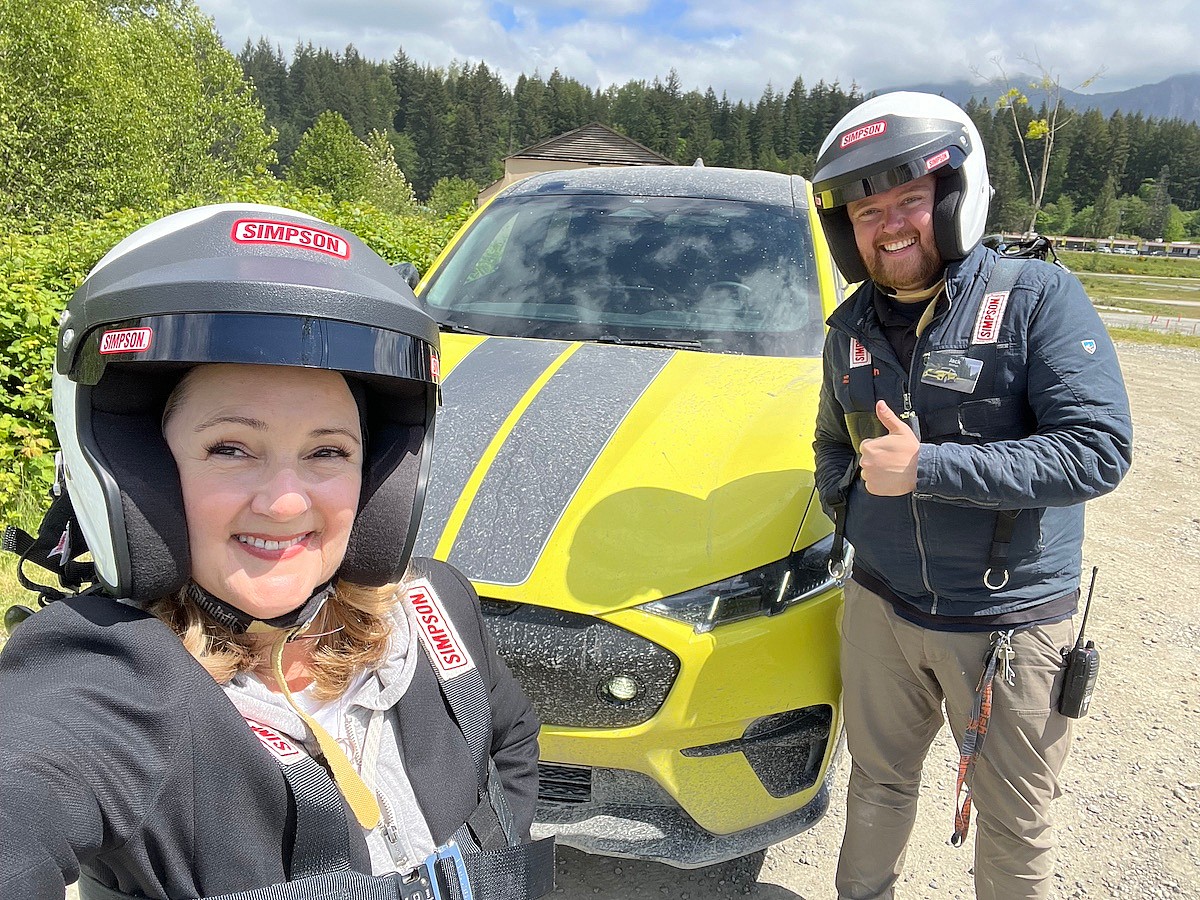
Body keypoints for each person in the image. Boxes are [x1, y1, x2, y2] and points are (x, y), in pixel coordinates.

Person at [0, 204, 554, 900]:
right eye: (230, 448)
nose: (286, 502)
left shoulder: (435, 609)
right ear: (143, 473)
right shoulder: (115, 676)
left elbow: (511, 742)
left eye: (328, 451)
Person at [809, 93, 1133, 899]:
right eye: (867, 210)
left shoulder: (1035, 300)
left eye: (908, 201)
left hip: (1007, 626)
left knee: (1014, 819)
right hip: (882, 612)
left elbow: (1099, 449)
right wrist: (853, 516)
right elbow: (829, 446)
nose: (888, 226)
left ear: (953, 198)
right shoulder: (847, 329)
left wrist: (932, 469)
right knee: (877, 787)